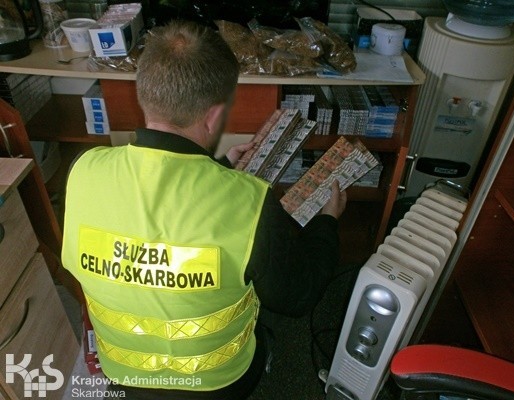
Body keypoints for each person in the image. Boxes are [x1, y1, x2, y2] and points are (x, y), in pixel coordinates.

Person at [62, 19, 346, 400]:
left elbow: (156, 214)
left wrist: (221, 169)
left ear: (144, 94)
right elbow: (297, 295)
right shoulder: (249, 200)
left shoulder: (83, 171)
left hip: (123, 373)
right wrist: (327, 222)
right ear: (213, 115)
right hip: (217, 381)